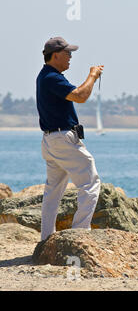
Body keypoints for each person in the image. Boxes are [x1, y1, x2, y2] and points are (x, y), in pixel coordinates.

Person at [36, 36, 104, 241]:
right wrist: (92, 75)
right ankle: (80, 234)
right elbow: (80, 96)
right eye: (68, 53)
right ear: (55, 55)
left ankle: (46, 238)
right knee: (90, 182)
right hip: (62, 138)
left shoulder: (46, 75)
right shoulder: (52, 77)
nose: (71, 57)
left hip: (50, 140)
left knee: (53, 191)